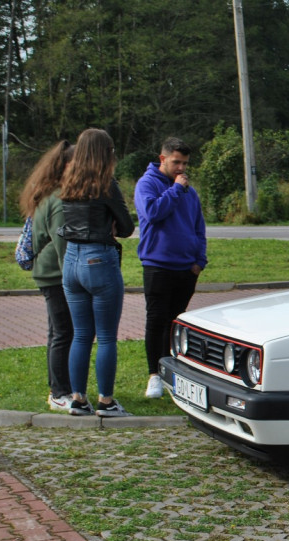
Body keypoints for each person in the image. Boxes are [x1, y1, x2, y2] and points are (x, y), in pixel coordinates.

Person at [58, 128, 136, 417]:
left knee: (80, 335)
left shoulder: (68, 183)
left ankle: (78, 398)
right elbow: (127, 227)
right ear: (106, 153)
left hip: (71, 260)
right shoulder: (106, 184)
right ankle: (106, 401)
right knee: (105, 337)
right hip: (99, 260)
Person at [134, 137, 207, 399]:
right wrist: (175, 190)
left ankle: (172, 371)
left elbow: (199, 227)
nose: (181, 168)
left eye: (185, 163)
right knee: (156, 320)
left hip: (186, 267)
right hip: (157, 264)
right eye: (176, 162)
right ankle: (154, 374)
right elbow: (152, 213)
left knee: (176, 322)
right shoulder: (147, 184)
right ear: (162, 159)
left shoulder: (190, 191)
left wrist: (199, 261)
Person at [19, 140, 75, 412]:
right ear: (66, 166)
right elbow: (62, 244)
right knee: (64, 334)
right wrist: (73, 280)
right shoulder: (59, 199)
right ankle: (59, 392)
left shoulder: (48, 193)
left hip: (49, 273)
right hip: (56, 275)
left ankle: (58, 387)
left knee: (58, 333)